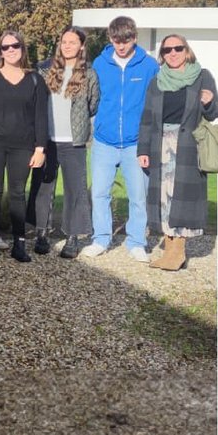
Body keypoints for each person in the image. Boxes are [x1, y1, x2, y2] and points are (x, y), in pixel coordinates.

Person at [137, 34, 218, 271]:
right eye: (167, 50)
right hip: (160, 145)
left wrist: (209, 103)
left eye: (177, 48)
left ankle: (177, 253)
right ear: (162, 55)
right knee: (163, 198)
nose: (172, 53)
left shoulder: (202, 77)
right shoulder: (157, 81)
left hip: (188, 147)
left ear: (187, 50)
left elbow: (215, 113)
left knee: (181, 198)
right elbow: (147, 118)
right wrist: (143, 149)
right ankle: (170, 251)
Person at [82, 16, 160, 261]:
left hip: (135, 143)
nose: (121, 45)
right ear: (110, 38)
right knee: (99, 194)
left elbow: (156, 103)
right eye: (116, 40)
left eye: (126, 40)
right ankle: (101, 239)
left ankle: (136, 241)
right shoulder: (100, 63)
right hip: (104, 141)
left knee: (138, 196)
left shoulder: (149, 66)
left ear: (134, 38)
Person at [0, 30, 49, 262]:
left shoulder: (35, 80)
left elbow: (41, 117)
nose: (11, 50)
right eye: (5, 47)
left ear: (22, 48)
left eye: (15, 46)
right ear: (0, 51)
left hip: (23, 146)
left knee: (17, 193)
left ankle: (19, 244)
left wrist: (40, 148)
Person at [26, 26, 100, 259]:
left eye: (72, 42)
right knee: (43, 188)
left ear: (81, 46)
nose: (67, 46)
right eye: (64, 41)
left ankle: (72, 237)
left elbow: (93, 105)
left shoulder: (89, 73)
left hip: (73, 142)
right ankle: (42, 233)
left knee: (74, 190)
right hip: (46, 139)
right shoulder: (44, 69)